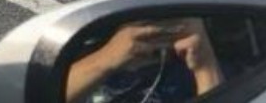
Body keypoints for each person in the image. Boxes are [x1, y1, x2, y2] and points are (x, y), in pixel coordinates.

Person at [65, 18, 223, 103]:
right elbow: (44, 94)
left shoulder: (197, 72)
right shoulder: (78, 53)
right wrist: (106, 58)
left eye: (175, 16)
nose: (159, 25)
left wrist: (204, 67)